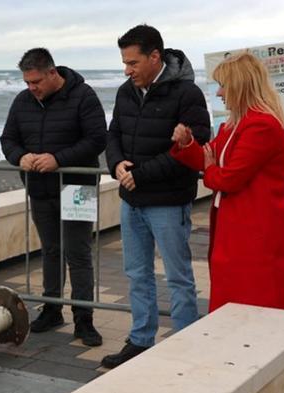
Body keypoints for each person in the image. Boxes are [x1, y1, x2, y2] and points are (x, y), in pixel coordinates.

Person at [101, 24, 211, 369]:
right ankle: (140, 340)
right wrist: (117, 164)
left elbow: (196, 143)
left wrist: (140, 175)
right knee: (137, 273)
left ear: (154, 57)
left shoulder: (186, 94)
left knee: (178, 276)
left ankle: (186, 344)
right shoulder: (125, 92)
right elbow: (113, 133)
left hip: (168, 201)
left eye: (132, 62)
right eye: (124, 62)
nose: (127, 70)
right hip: (132, 201)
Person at [169, 52, 284, 314]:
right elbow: (209, 158)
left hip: (255, 231)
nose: (219, 93)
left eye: (223, 85)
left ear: (239, 87)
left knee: (252, 302)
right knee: (234, 299)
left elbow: (228, 178)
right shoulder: (236, 125)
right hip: (238, 226)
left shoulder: (261, 126)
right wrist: (188, 145)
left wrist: (210, 167)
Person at [0, 47, 107, 346]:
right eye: (27, 83)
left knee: (78, 253)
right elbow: (8, 139)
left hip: (78, 188)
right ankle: (52, 309)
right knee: (50, 250)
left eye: (36, 82)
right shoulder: (23, 101)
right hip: (40, 189)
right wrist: (20, 156)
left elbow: (98, 138)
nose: (31, 88)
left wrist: (57, 158)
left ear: (52, 73)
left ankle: (84, 320)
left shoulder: (83, 95)